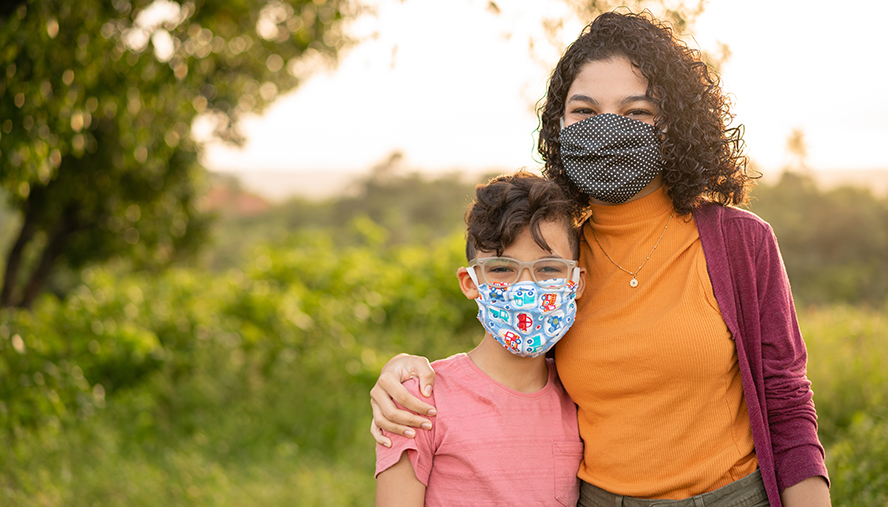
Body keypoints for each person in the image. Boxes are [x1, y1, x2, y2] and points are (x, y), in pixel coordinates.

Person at [369, 10, 831, 507]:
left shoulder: (740, 243)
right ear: (560, 125)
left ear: (674, 125)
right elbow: (509, 357)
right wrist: (407, 370)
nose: (608, 129)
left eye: (636, 113)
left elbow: (787, 401)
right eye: (585, 112)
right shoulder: (558, 260)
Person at [375, 172, 587, 506]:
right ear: (470, 282)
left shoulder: (582, 399)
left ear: (577, 281)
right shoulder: (418, 401)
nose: (526, 288)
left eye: (548, 269)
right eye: (503, 269)